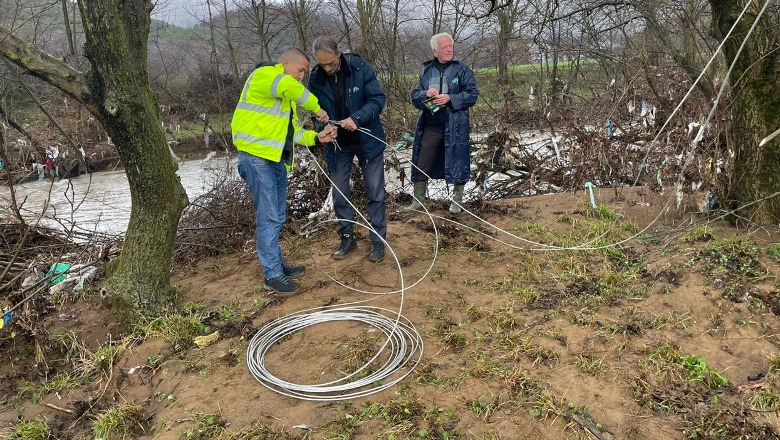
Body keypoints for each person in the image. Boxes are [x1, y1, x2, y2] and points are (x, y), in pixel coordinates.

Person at [232, 47, 337, 295]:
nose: (302, 76)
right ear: (285, 63)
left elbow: (292, 134)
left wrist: (317, 137)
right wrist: (318, 109)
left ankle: (276, 264)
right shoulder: (265, 75)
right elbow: (292, 88)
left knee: (276, 215)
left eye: (304, 73)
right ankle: (272, 275)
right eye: (301, 70)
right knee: (269, 217)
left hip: (275, 161)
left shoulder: (283, 97)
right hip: (257, 160)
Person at [308, 36, 388, 263]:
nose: (328, 68)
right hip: (337, 143)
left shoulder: (360, 67)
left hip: (366, 138)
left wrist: (357, 118)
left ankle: (377, 241)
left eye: (331, 63)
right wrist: (322, 128)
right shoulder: (315, 77)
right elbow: (316, 111)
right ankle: (347, 236)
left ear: (339, 54)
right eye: (322, 64)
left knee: (375, 191)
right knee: (340, 191)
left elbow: (378, 99)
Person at [407, 32, 479, 214]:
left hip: (455, 126)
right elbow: (415, 97)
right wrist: (425, 94)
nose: (449, 49)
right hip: (430, 126)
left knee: (458, 162)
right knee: (421, 162)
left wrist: (451, 98)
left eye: (450, 46)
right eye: (444, 47)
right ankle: (418, 202)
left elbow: (472, 95)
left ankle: (457, 202)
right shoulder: (426, 70)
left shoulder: (462, 69)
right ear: (435, 51)